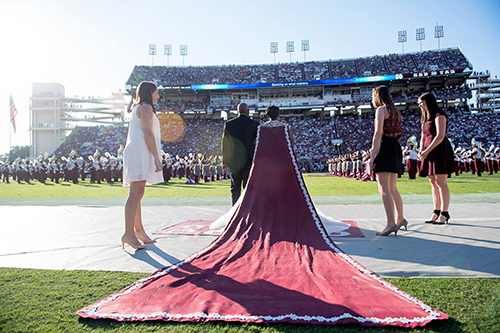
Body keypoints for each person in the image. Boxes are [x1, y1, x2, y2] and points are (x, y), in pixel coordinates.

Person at [78, 102, 448, 328]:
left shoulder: (235, 124)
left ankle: (140, 230)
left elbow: (229, 143)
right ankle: (136, 230)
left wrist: (228, 160)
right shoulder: (256, 126)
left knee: (239, 198)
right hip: (258, 166)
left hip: (241, 167)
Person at [121, 81, 163, 250]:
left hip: (136, 149)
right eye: (156, 92)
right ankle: (128, 233)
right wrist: (156, 156)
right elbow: (147, 133)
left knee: (138, 192)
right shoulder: (146, 107)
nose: (158, 96)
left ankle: (138, 231)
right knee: (135, 193)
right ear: (150, 92)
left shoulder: (137, 107)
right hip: (139, 150)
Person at [368, 86, 407, 236]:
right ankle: (400, 218)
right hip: (396, 147)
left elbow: (378, 134)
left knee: (384, 189)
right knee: (393, 188)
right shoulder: (396, 111)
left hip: (385, 147)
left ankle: (391, 223)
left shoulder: (381, 110)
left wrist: (372, 154)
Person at [417, 92, 454, 225]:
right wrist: (421, 150)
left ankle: (444, 213)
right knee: (432, 181)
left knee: (441, 181)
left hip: (438, 150)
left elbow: (440, 136)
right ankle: (436, 211)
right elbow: (423, 136)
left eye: (422, 102)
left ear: (429, 101)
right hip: (428, 151)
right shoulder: (426, 118)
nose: (420, 105)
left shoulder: (439, 115)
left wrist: (427, 150)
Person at [222, 102, 259, 205]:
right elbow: (258, 143)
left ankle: (235, 210)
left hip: (234, 161)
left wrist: (225, 161)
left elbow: (225, 144)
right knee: (248, 187)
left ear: (237, 111)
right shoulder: (254, 124)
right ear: (247, 111)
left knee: (235, 187)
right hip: (249, 160)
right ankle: (248, 210)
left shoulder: (229, 124)